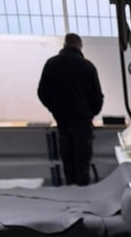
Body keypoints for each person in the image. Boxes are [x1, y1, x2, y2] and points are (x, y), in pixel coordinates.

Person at [38, 33, 104, 186]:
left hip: (63, 121)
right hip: (82, 123)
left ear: (64, 45)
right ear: (80, 47)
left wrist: (55, 109)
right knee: (82, 163)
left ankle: (71, 192)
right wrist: (90, 114)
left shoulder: (51, 64)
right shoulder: (87, 66)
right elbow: (97, 97)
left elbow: (42, 92)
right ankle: (83, 194)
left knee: (68, 162)